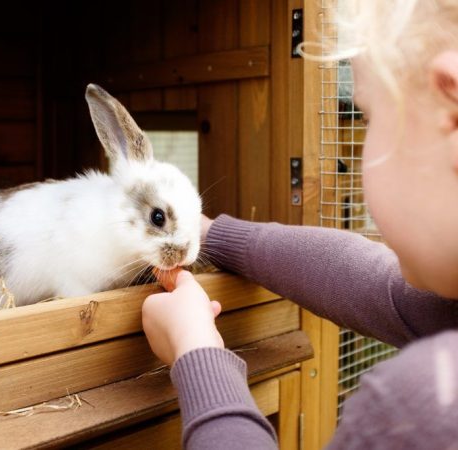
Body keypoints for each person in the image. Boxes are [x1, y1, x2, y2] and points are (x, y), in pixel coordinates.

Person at [141, 1, 458, 448]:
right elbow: (376, 285)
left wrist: (196, 353)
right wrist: (212, 235)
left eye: (369, 118)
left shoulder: (429, 403)